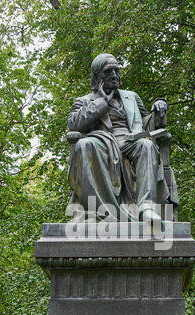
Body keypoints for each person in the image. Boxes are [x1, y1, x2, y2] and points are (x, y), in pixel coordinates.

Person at [66, 53, 176, 223]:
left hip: (132, 140)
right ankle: (99, 211)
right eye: (108, 71)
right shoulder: (85, 100)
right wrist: (101, 102)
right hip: (103, 141)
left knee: (146, 146)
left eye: (117, 71)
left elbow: (148, 122)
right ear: (97, 76)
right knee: (84, 144)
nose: (114, 75)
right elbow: (74, 123)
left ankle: (146, 208)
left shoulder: (131, 97)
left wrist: (159, 108)